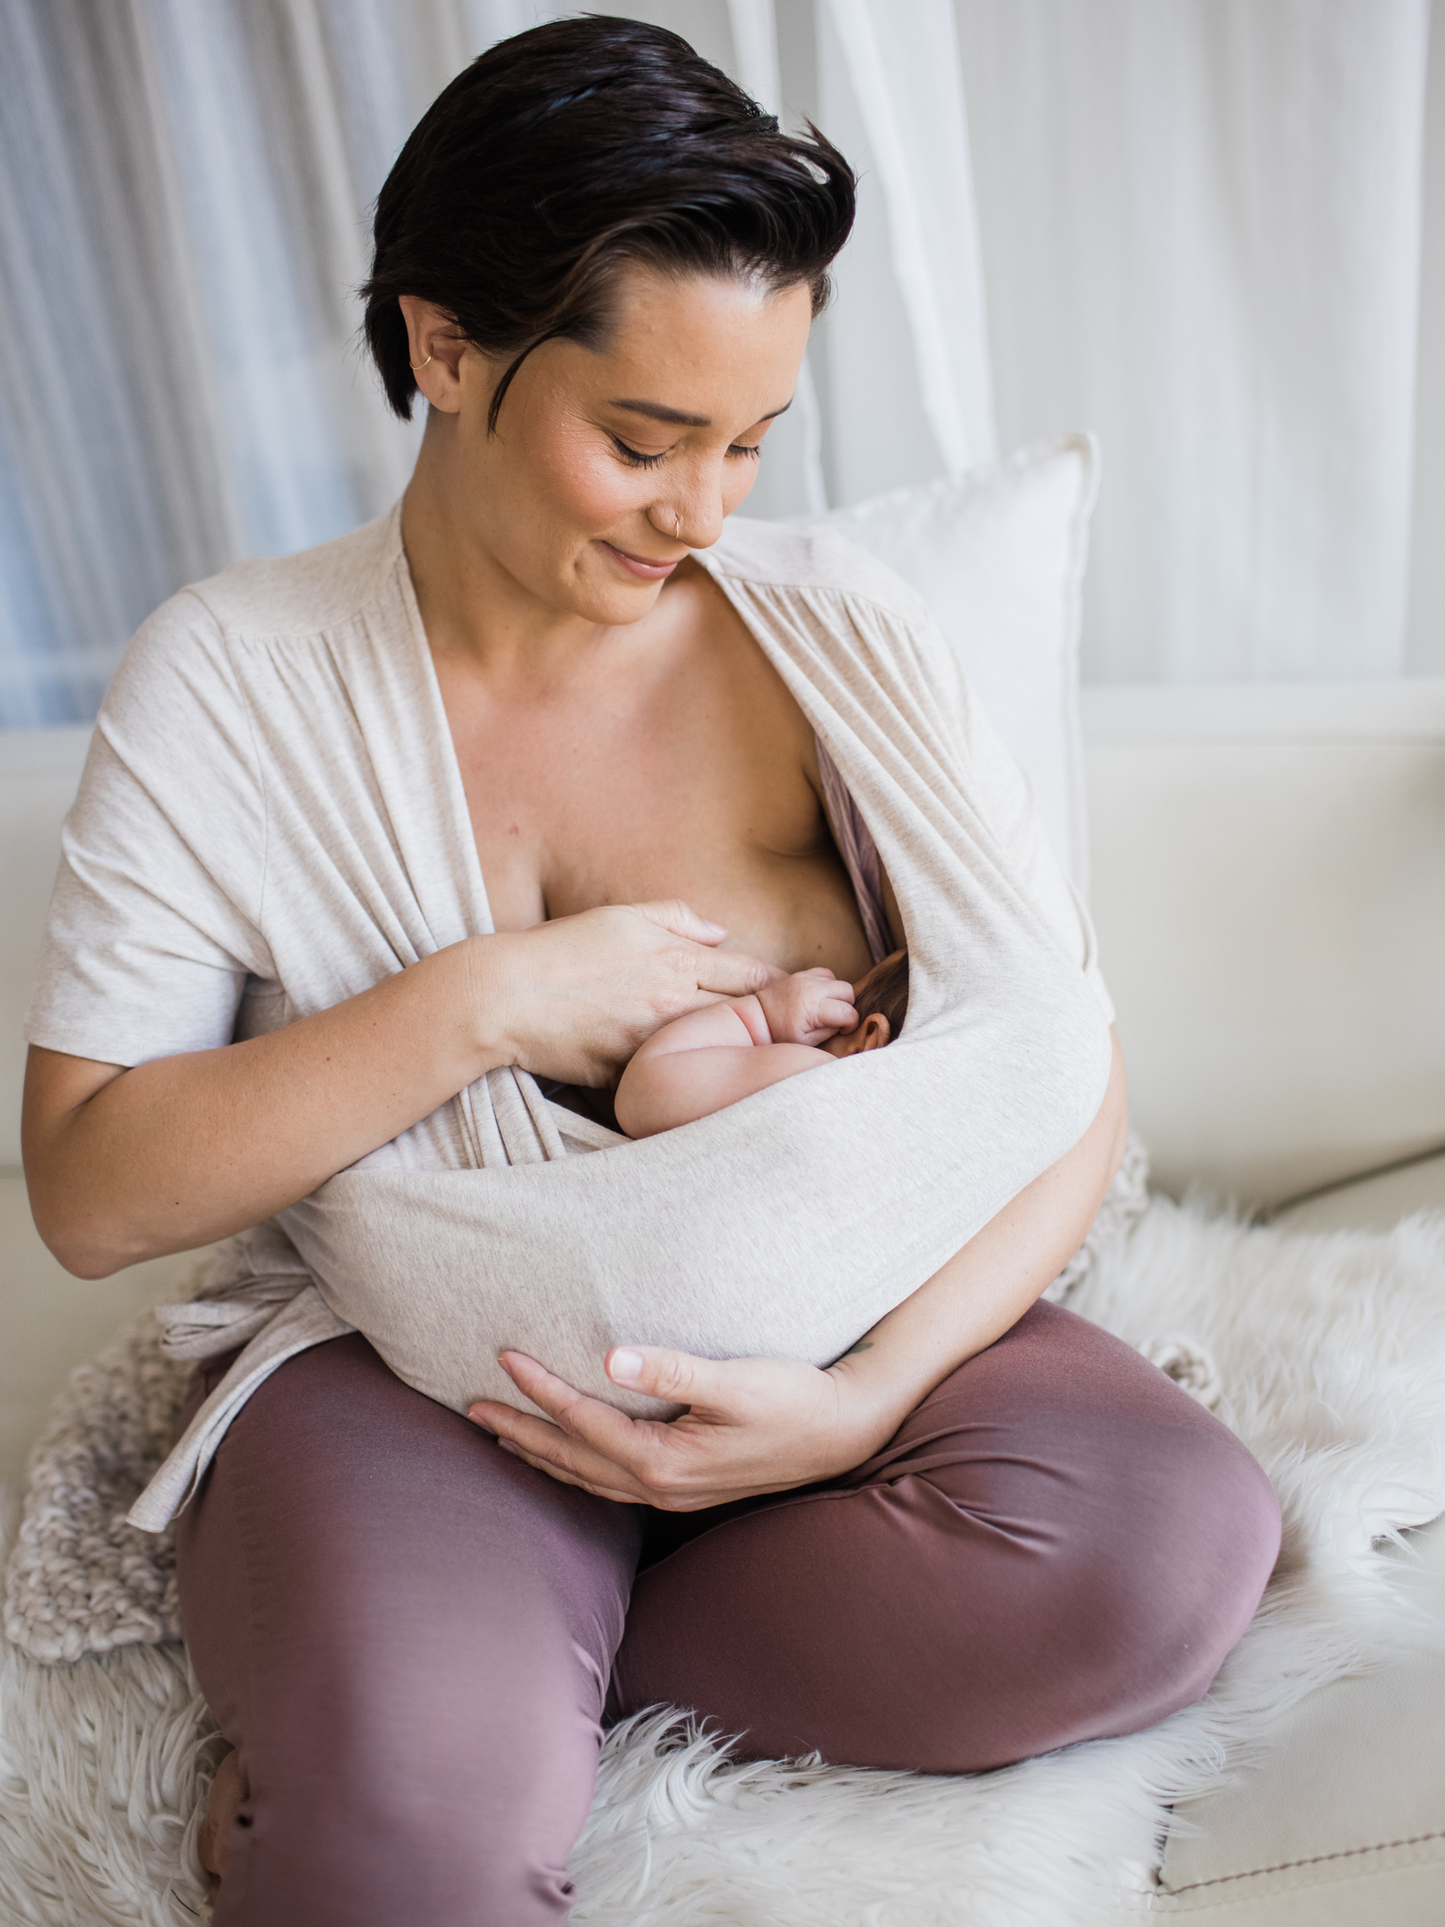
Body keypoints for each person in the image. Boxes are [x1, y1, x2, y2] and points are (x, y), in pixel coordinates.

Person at [20, 20, 1281, 1925]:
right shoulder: (235, 679)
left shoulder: (830, 633)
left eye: (752, 442)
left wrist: (868, 1398)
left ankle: (504, 1671)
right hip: (430, 1383)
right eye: (641, 438)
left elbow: (1057, 1061)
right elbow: (94, 1191)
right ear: (444, 349)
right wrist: (487, 1000)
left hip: (851, 1342)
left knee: (1169, 1551)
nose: (704, 513)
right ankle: (449, 1694)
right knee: (411, 1856)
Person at [615, 949, 907, 1138]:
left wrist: (764, 1016)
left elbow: (642, 1094)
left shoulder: (820, 1076)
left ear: (869, 1040)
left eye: (849, 989)